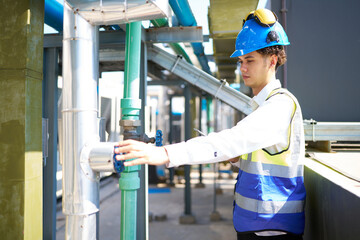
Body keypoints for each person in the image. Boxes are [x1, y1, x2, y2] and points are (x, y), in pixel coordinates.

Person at [115, 8, 306, 240]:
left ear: (272, 60)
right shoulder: (263, 106)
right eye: (241, 60)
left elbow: (232, 140)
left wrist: (164, 153)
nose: (242, 68)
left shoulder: (279, 106)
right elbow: (264, 161)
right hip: (259, 226)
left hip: (272, 230)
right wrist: (238, 160)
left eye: (250, 60)